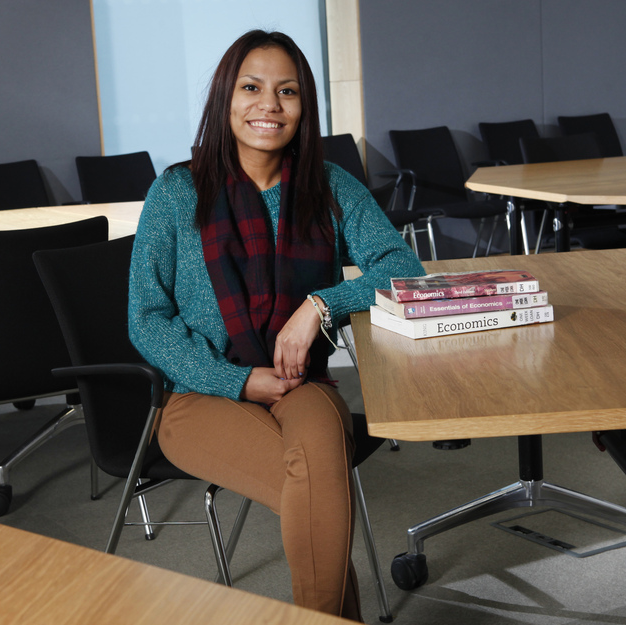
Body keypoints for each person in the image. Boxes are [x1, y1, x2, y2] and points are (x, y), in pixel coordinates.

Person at [128, 30, 424, 620]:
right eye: (252, 88)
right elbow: (146, 319)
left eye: (287, 92)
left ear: (304, 107)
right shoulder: (177, 191)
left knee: (316, 487)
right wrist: (237, 381)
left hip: (301, 384)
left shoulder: (329, 187)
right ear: (225, 98)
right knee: (318, 493)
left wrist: (319, 307)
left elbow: (403, 271)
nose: (269, 105)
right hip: (198, 395)